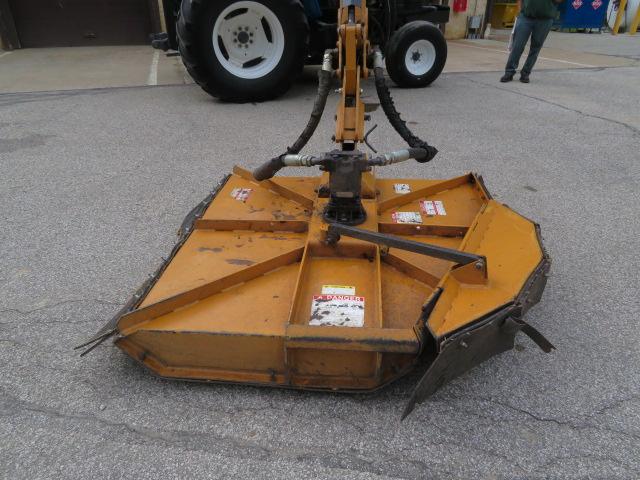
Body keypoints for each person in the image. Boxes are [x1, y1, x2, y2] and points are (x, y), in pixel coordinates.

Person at [500, 0, 563, 83]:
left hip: (545, 19)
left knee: (535, 48)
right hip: (525, 17)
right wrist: (519, 11)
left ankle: (525, 73)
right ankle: (509, 72)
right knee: (517, 45)